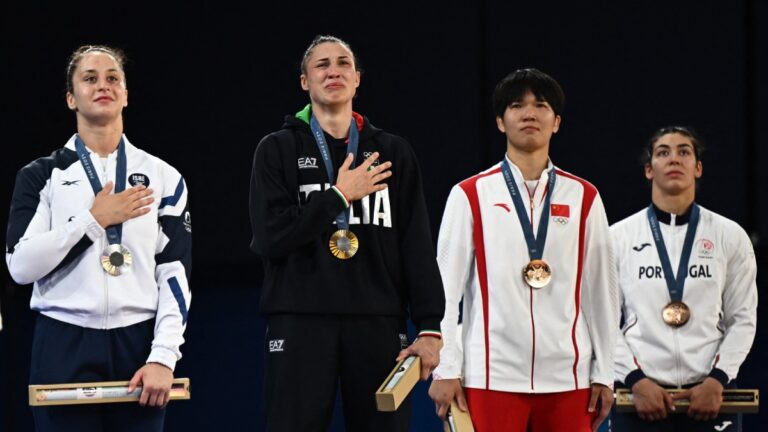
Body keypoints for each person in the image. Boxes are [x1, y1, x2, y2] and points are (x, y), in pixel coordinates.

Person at [249, 35, 445, 431]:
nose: (333, 70)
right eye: (321, 65)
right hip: (300, 320)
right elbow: (270, 237)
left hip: (377, 320)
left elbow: (415, 242)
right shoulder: (276, 149)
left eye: (343, 63)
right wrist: (339, 196)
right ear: (304, 81)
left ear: (357, 79)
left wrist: (429, 326)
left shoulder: (393, 151)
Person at [5, 45, 191, 431]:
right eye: (89, 78)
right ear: (71, 97)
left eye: (112, 78)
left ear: (126, 94)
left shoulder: (164, 177)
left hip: (138, 342)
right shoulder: (41, 175)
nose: (102, 85)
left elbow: (175, 274)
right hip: (63, 339)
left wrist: (163, 356)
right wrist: (93, 220)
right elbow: (21, 267)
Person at [429, 68, 617, 432]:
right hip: (490, 376)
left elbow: (602, 295)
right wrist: (447, 367)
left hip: (570, 379)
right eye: (517, 106)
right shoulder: (469, 194)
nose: (529, 113)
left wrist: (605, 372)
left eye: (541, 105)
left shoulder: (585, 197)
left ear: (557, 122)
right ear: (501, 122)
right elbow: (445, 293)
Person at [610, 126, 757, 431]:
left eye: (684, 152)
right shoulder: (617, 237)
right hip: (639, 397)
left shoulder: (730, 236)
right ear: (649, 170)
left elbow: (742, 319)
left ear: (698, 168)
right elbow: (602, 322)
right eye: (663, 152)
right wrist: (635, 380)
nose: (674, 159)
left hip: (711, 396)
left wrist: (718, 380)